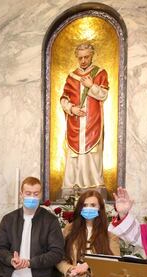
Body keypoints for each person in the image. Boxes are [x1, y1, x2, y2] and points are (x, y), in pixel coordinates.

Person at [60, 42, 109, 193]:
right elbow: (63, 99)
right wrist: (72, 109)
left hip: (92, 122)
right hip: (75, 123)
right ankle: (71, 185)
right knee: (73, 155)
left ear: (92, 56)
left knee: (92, 154)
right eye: (80, 58)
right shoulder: (71, 76)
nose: (83, 61)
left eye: (86, 57)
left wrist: (91, 85)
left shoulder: (100, 73)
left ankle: (94, 184)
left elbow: (103, 94)